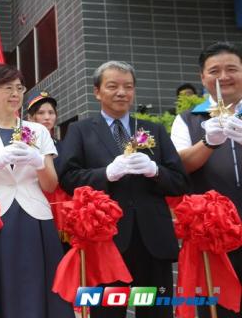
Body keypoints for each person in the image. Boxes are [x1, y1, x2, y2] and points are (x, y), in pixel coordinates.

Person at [59, 60, 188, 318]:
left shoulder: (153, 130)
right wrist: (105, 174)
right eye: (113, 86)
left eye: (128, 87)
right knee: (108, 311)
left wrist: (155, 171)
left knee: (155, 310)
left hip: (152, 237)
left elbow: (179, 181)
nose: (122, 92)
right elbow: (68, 178)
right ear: (97, 91)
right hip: (106, 237)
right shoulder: (80, 131)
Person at [0, 64, 73, 317]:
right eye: (7, 88)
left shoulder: (39, 131)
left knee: (36, 283)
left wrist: (38, 161)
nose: (15, 94)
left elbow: (50, 184)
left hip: (34, 215)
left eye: (19, 88)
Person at [170, 42, 242, 317]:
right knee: (219, 308)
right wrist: (207, 142)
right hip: (213, 232)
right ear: (202, 77)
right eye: (214, 71)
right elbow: (180, 166)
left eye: (232, 69)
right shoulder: (188, 119)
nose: (223, 76)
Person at [25, 91, 72, 248]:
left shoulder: (64, 145)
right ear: (30, 118)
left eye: (51, 113)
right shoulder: (22, 146)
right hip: (32, 203)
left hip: (61, 208)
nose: (47, 117)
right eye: (41, 113)